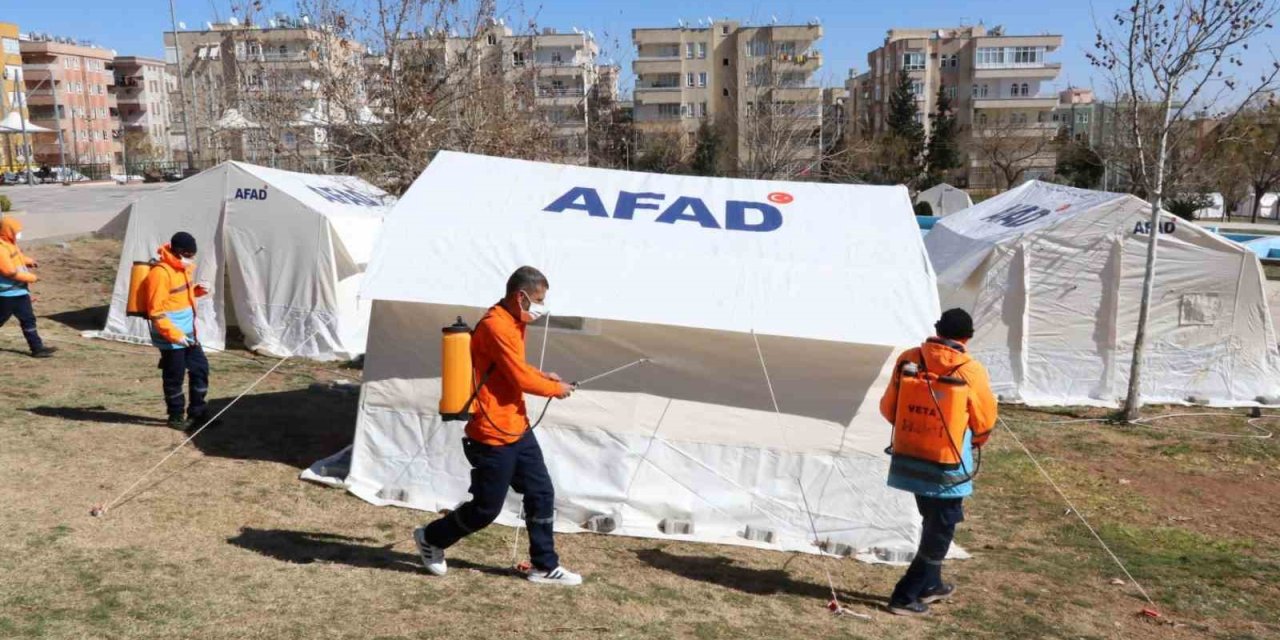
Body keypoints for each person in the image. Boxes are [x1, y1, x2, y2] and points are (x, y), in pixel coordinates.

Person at [414, 266, 580, 586]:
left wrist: (543, 376)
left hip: (517, 425)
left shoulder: (515, 322)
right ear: (520, 297)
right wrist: (554, 389)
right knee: (486, 509)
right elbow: (518, 377)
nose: (541, 307)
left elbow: (512, 366)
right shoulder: (496, 325)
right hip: (491, 432)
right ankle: (431, 538)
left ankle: (544, 566)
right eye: (538, 300)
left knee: (541, 492)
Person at [878, 308, 997, 616]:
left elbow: (889, 408)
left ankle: (931, 584)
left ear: (937, 329)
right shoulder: (970, 370)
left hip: (910, 457)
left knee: (932, 520)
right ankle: (905, 596)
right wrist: (975, 440)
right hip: (948, 465)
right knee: (941, 529)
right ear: (967, 338)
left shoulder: (909, 358)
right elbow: (984, 421)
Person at [141, 232, 211, 430]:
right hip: (171, 337)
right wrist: (175, 335)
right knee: (174, 375)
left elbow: (178, 297)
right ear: (179, 251)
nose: (192, 258)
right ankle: (176, 416)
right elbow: (156, 312)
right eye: (189, 254)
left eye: (193, 254)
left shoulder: (182, 268)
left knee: (200, 369)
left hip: (189, 333)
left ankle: (198, 412)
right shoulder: (160, 273)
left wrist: (198, 290)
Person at [0, 216, 57, 358]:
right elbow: (9, 271)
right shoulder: (1, 248)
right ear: (8, 231)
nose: (19, 234)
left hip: (20, 292)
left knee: (28, 320)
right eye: (16, 231)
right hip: (6, 294)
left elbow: (17, 258)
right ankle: (37, 348)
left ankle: (37, 349)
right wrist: (31, 278)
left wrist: (28, 261)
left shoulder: (11, 244)